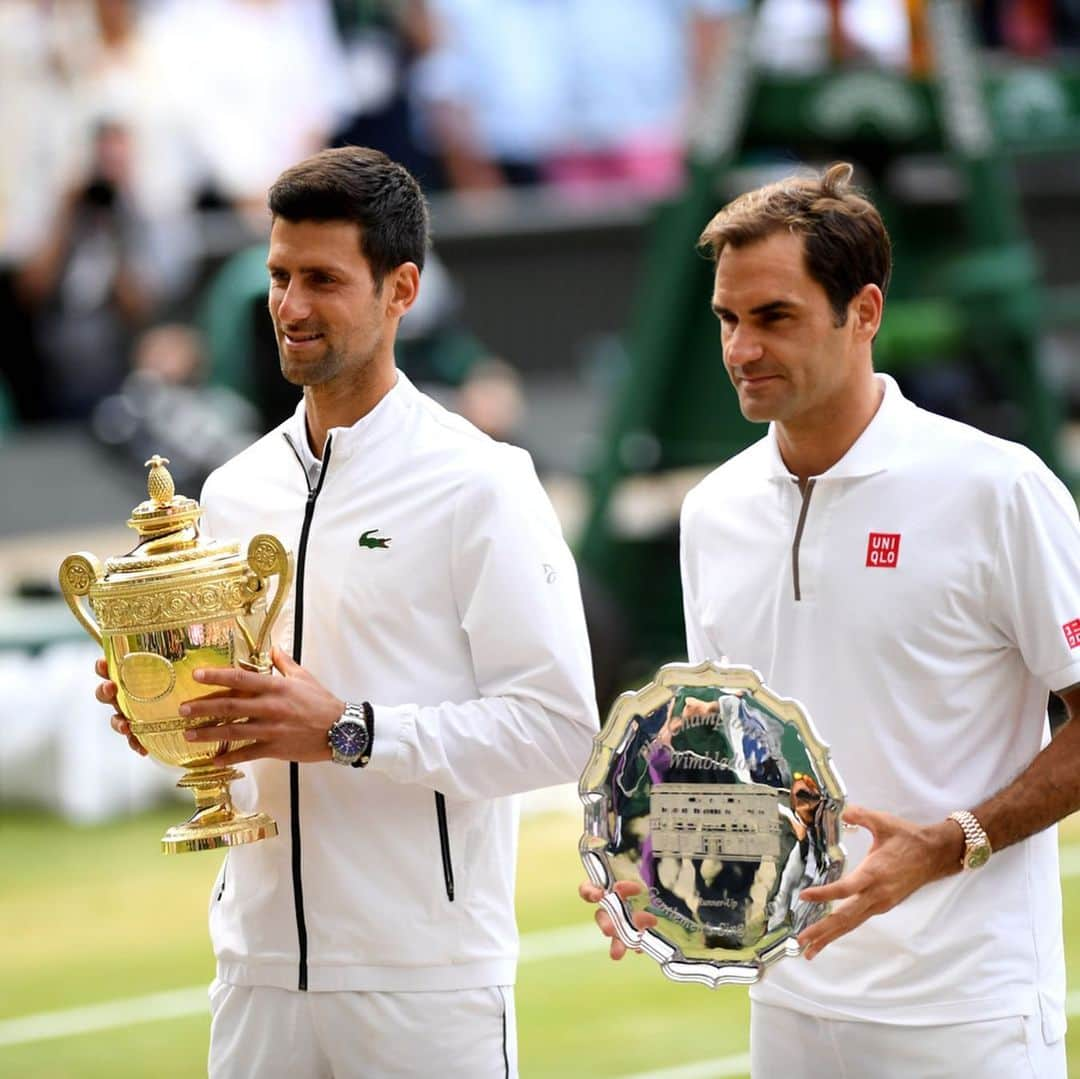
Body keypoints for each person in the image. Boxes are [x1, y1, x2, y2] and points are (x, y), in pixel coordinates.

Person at [95, 145, 598, 1078]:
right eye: (279, 276)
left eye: (321, 279)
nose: (289, 307)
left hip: (426, 984)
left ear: (401, 289)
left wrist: (349, 732)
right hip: (254, 975)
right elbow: (254, 716)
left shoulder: (481, 482)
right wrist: (170, 713)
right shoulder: (236, 489)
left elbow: (560, 731)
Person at [582, 161, 1080, 1077]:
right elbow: (735, 757)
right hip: (791, 1007)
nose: (740, 348)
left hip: (968, 1015)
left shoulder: (1000, 488)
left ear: (865, 313)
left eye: (775, 317)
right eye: (728, 319)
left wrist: (949, 842)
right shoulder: (714, 509)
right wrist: (648, 863)